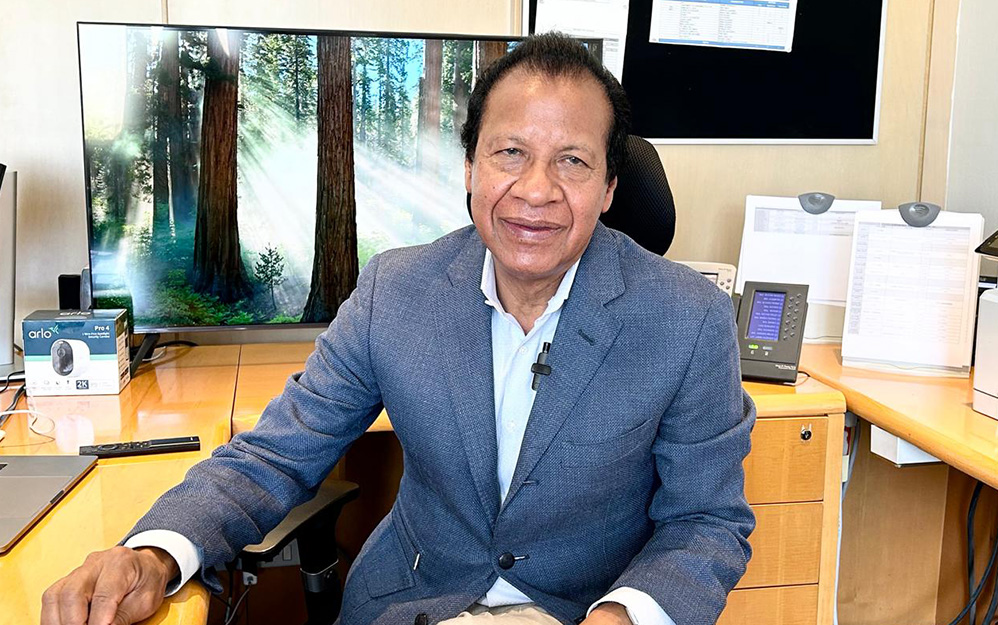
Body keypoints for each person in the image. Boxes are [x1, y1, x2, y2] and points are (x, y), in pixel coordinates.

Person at [41, 33, 755, 625]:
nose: (536, 190)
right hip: (412, 602)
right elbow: (276, 453)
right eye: (510, 153)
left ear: (608, 187)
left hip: (582, 612)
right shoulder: (397, 289)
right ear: (470, 166)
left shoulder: (687, 319)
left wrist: (624, 615)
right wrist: (155, 554)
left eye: (572, 161)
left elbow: (707, 522)